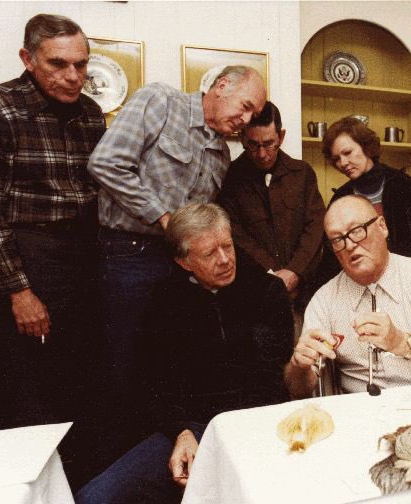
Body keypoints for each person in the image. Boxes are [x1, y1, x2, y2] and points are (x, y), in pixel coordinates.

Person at [87, 65, 266, 453]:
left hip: (179, 267)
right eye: (246, 106)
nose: (247, 119)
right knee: (127, 369)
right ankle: (125, 468)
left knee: (170, 366)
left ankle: (173, 454)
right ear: (221, 86)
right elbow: (106, 163)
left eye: (254, 114)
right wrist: (163, 216)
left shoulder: (221, 154)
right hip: (129, 256)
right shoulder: (160, 102)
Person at [76, 203, 292, 504]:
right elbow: (152, 381)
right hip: (191, 429)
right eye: (209, 254)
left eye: (228, 246)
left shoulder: (268, 291)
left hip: (256, 427)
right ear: (183, 261)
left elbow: (270, 378)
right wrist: (181, 432)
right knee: (95, 498)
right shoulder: (164, 300)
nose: (225, 259)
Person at [0, 13, 104, 435]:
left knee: (81, 386)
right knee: (28, 393)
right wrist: (18, 291)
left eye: (81, 65)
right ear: (28, 59)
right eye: (58, 64)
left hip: (84, 260)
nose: (73, 76)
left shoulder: (91, 114)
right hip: (29, 260)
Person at [285, 195, 411, 398]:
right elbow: (298, 390)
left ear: (382, 227)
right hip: (359, 415)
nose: (349, 245)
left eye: (357, 231)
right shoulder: (324, 300)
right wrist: (298, 366)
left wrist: (402, 343)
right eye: (337, 240)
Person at [219, 101, 325, 333]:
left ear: (282, 136)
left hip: (305, 294)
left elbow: (315, 227)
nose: (262, 154)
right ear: (242, 139)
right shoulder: (230, 177)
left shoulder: (303, 173)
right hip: (256, 293)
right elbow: (234, 233)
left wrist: (295, 272)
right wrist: (274, 277)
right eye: (252, 145)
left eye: (269, 144)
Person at [315, 116, 411, 283]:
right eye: (336, 158)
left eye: (348, 152)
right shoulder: (341, 197)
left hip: (407, 282)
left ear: (366, 147)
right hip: (359, 286)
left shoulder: (403, 185)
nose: (342, 163)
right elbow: (333, 257)